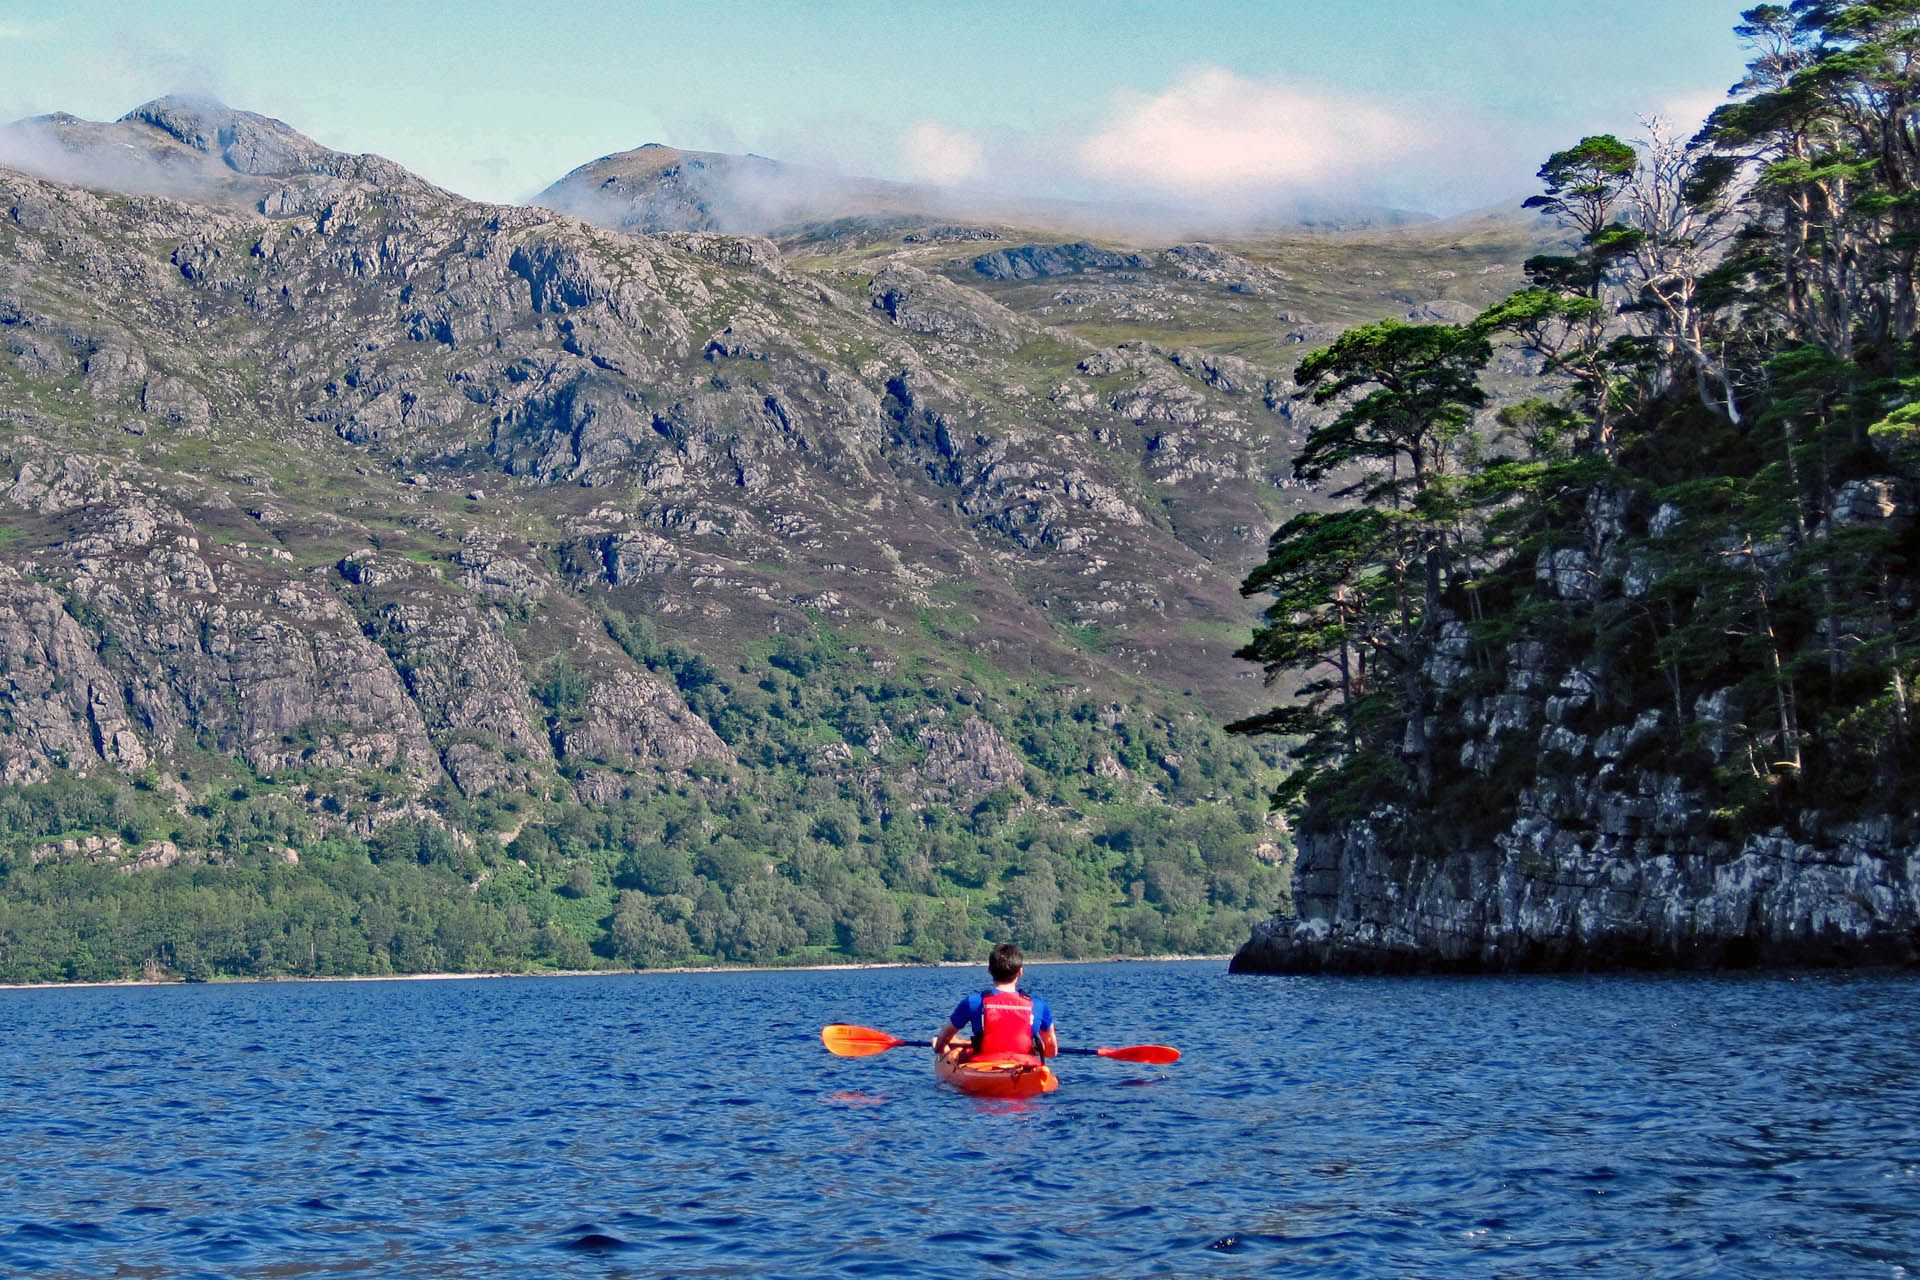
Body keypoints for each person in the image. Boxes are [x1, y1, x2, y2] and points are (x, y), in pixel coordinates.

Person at [932, 942, 1058, 1062]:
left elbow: (944, 1038)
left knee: (940, 1041)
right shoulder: (1038, 1005)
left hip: (984, 1066)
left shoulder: (973, 1002)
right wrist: (1034, 1049)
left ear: (989, 970)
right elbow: (1052, 1052)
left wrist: (941, 1049)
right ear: (1020, 972)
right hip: (1024, 1067)